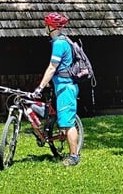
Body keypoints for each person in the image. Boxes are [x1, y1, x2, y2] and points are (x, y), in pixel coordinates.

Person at [33, 12, 81, 166]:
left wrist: (40, 86)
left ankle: (74, 157)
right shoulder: (61, 41)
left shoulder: (59, 43)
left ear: (51, 26)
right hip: (61, 86)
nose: (44, 28)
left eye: (46, 25)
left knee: (68, 124)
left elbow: (52, 67)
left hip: (65, 88)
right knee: (61, 119)